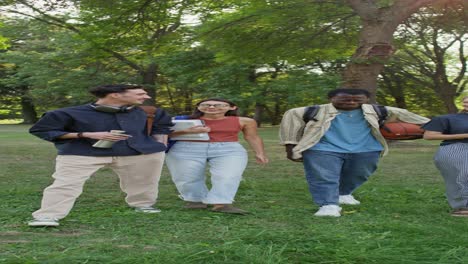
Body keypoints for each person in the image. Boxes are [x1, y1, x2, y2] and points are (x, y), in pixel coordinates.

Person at [28, 84, 173, 227]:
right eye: (140, 94)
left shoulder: (150, 112)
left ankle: (143, 205)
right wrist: (85, 134)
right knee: (66, 184)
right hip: (83, 153)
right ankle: (47, 216)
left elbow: (162, 127)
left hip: (138, 153)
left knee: (144, 181)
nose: (146, 97)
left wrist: (159, 145)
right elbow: (41, 130)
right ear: (115, 94)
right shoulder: (67, 113)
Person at [279, 88, 429, 217]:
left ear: (367, 100)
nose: (351, 102)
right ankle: (328, 205)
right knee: (323, 176)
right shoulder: (312, 110)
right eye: (345, 99)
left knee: (359, 173)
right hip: (322, 148)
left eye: (357, 99)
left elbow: (413, 117)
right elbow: (291, 123)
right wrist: (290, 147)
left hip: (366, 148)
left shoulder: (379, 110)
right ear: (331, 98)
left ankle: (343, 194)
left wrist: (439, 126)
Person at [165, 98, 269, 215]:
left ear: (232, 107)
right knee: (186, 176)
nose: (212, 107)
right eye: (206, 105)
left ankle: (221, 203)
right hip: (187, 148)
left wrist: (260, 153)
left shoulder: (245, 121)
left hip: (228, 149)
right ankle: (195, 200)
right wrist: (186, 131)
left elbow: (252, 137)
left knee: (228, 174)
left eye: (218, 105)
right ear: (198, 107)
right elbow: (164, 134)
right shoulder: (183, 120)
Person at [422, 96, 468, 217]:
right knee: (462, 175)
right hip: (456, 148)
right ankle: (463, 207)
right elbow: (429, 136)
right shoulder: (449, 118)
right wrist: (465, 135)